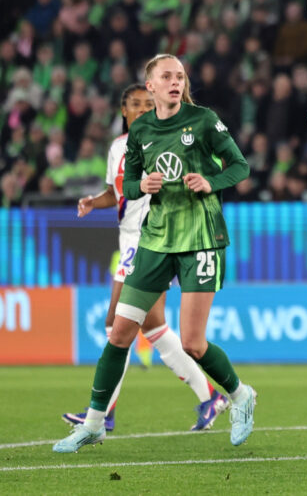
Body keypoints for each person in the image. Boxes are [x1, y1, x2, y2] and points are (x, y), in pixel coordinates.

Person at [54, 54, 255, 453]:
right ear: (151, 86)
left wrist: (211, 181)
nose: (175, 82)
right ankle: (94, 423)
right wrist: (141, 184)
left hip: (199, 237)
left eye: (180, 76)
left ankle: (240, 395)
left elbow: (240, 166)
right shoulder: (140, 131)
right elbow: (127, 185)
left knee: (194, 343)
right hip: (154, 242)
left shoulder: (202, 120)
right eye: (167, 76)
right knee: (119, 334)